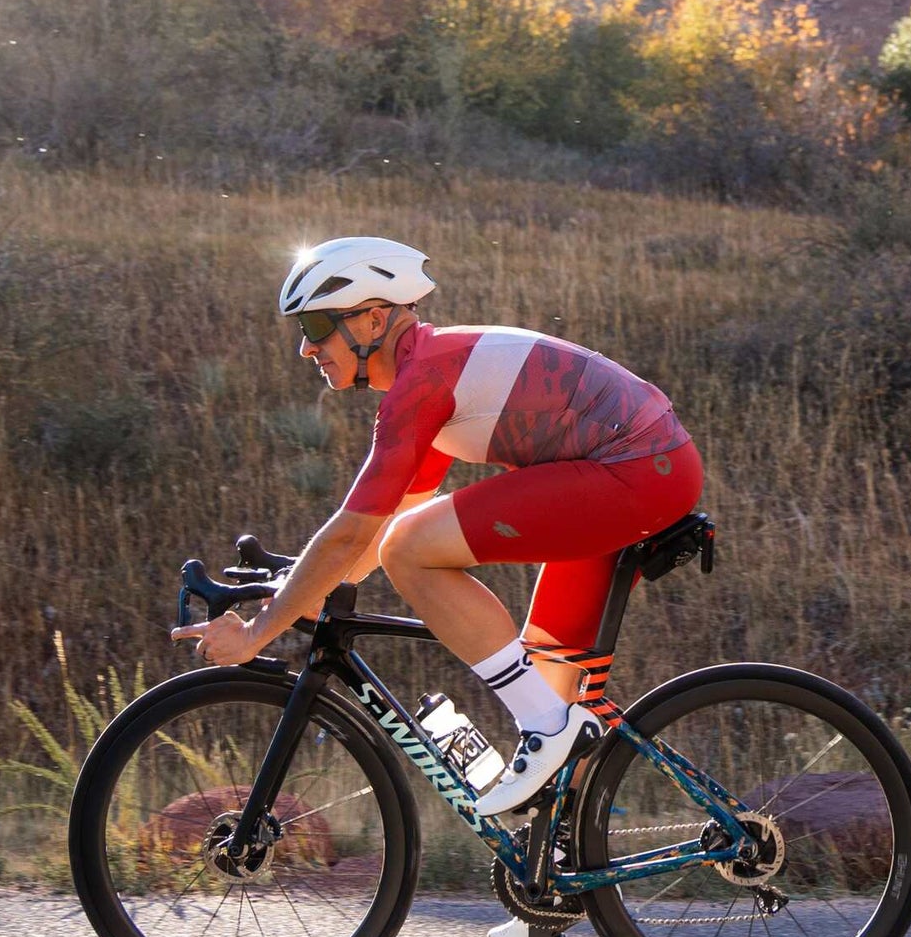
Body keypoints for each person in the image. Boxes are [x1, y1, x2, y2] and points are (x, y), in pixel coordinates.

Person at [171, 236, 703, 816]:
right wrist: (296, 589)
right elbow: (374, 532)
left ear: (373, 320)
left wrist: (256, 635)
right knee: (550, 676)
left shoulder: (423, 382)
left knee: (415, 553)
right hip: (644, 467)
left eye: (318, 325)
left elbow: (366, 537)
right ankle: (561, 877)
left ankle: (549, 729)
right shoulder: (434, 373)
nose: (306, 348)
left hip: (636, 469)